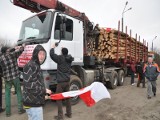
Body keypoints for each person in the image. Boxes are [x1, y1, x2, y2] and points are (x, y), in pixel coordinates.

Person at [23, 45, 51, 120]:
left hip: (34, 101)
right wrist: (44, 90)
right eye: (40, 54)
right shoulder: (30, 65)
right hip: (33, 104)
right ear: (35, 54)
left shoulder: (36, 65)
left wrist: (43, 94)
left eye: (43, 54)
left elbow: (36, 82)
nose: (42, 56)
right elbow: (29, 85)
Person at [0, 45, 26, 117]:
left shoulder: (1, 59)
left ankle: (8, 113)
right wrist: (22, 46)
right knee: (18, 92)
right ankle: (20, 109)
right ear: (7, 50)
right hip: (15, 77)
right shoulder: (12, 55)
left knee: (7, 95)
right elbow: (21, 50)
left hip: (7, 79)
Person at [50, 44, 74, 120]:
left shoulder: (60, 58)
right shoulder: (69, 59)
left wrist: (52, 47)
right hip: (67, 81)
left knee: (58, 98)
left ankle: (60, 116)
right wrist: (63, 50)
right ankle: (69, 113)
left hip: (61, 83)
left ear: (62, 53)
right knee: (67, 98)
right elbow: (65, 55)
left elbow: (52, 55)